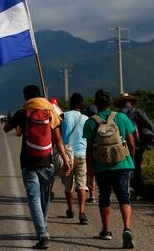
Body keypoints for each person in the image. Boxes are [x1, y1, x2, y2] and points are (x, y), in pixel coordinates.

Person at [3, 85, 71, 250]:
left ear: (26, 98)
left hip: (29, 162)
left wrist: (16, 120)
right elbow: (58, 140)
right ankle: (44, 227)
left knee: (34, 199)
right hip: (47, 162)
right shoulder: (50, 112)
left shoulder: (23, 113)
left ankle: (42, 234)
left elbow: (6, 129)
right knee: (44, 198)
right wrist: (66, 159)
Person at [83, 89, 136, 249]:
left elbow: (89, 149)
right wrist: (130, 162)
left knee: (104, 197)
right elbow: (132, 143)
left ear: (96, 104)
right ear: (111, 102)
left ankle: (106, 230)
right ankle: (127, 228)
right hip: (122, 164)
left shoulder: (91, 121)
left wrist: (90, 171)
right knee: (124, 197)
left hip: (101, 166)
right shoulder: (121, 117)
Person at [114, 92, 154, 200]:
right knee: (137, 168)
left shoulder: (117, 114)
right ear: (130, 102)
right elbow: (149, 124)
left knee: (124, 168)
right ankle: (137, 193)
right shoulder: (138, 112)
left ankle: (125, 190)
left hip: (122, 145)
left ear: (121, 103)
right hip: (137, 145)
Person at [60, 92, 89, 224]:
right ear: (82, 105)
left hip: (68, 154)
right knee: (81, 184)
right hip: (82, 154)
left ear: (71, 103)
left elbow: (58, 135)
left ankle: (70, 209)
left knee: (68, 184)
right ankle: (82, 211)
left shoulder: (64, 116)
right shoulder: (86, 118)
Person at [82, 103, 98, 204]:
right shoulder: (102, 121)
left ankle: (92, 196)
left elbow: (88, 142)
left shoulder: (89, 122)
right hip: (103, 152)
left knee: (91, 174)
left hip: (92, 151)